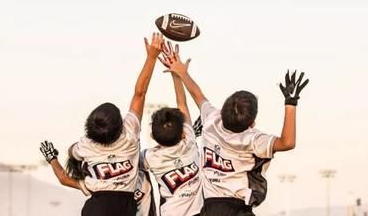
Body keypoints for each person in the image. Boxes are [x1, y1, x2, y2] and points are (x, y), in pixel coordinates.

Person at [161, 48, 309, 216]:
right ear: (252, 123)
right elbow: (287, 142)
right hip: (238, 209)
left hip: (210, 208)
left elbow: (197, 94)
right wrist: (291, 103)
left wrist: (180, 71)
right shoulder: (253, 139)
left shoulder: (211, 120)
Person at [40, 32, 164, 216]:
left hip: (95, 209)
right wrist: (152, 57)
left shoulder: (86, 147)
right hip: (125, 208)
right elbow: (140, 93)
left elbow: (65, 174)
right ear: (120, 127)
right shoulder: (129, 136)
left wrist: (53, 159)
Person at [140, 42, 203, 216]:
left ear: (153, 136)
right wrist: (177, 73)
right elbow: (182, 104)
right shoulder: (189, 142)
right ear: (183, 132)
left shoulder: (150, 157)